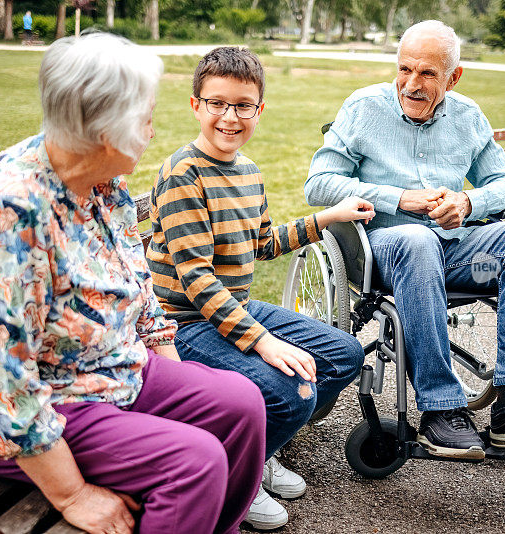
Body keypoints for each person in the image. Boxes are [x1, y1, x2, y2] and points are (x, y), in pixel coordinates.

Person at [0, 32, 265, 534]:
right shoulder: (7, 217)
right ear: (106, 131)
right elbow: (2, 386)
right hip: (27, 403)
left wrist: (173, 378)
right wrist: (73, 494)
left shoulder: (104, 181)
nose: (153, 132)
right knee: (194, 462)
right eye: (146, 118)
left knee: (242, 405)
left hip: (107, 369)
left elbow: (137, 281)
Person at [305, 20, 505, 461]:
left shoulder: (467, 116)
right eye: (405, 69)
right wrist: (399, 198)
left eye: (428, 74)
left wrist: (469, 202)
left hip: (452, 246)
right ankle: (440, 410)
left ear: (453, 77)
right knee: (416, 238)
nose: (411, 84)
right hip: (385, 247)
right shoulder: (364, 108)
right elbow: (319, 184)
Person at [147, 47, 374, 530]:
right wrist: (264, 341)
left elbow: (263, 243)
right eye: (217, 103)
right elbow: (197, 278)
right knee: (292, 391)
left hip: (236, 307)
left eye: (243, 105)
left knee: (345, 354)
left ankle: (259, 449)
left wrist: (328, 218)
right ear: (195, 106)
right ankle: (239, 475)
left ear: (259, 110)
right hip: (183, 324)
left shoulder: (249, 172)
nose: (230, 117)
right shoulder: (181, 174)